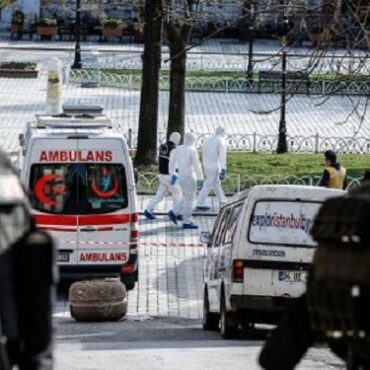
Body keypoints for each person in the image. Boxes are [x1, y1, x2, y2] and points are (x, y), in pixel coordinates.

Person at [168, 132, 204, 229]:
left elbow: (172, 163)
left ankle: (174, 212)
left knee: (186, 196)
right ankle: (186, 221)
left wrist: (172, 173)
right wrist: (201, 178)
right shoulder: (192, 150)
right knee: (190, 199)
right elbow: (197, 165)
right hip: (190, 177)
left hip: (181, 177)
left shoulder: (178, 149)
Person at [144, 132, 182, 220]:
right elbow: (173, 163)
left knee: (160, 195)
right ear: (177, 139)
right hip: (170, 175)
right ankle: (176, 212)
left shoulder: (162, 146)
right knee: (177, 193)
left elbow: (160, 159)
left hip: (162, 174)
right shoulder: (174, 148)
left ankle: (148, 209)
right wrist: (174, 174)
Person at [196, 126, 228, 210]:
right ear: (223, 132)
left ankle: (222, 199)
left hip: (206, 164)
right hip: (215, 165)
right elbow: (222, 155)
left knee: (216, 184)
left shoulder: (208, 139)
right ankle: (200, 201)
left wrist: (204, 164)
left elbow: (203, 152)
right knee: (208, 183)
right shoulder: (221, 140)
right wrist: (223, 168)